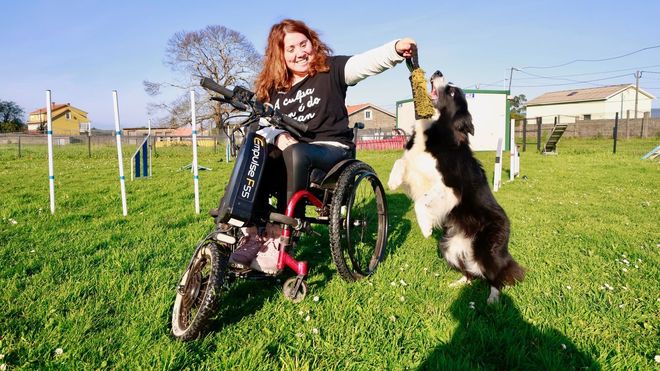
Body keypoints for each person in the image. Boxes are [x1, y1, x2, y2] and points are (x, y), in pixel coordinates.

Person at [229, 19, 416, 272]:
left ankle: (279, 238)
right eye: (290, 49)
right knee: (256, 147)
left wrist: (394, 49)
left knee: (295, 152)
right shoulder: (274, 89)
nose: (299, 53)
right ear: (280, 55)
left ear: (312, 42)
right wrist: (278, 137)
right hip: (292, 151)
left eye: (303, 44)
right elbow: (263, 124)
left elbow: (366, 62)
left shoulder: (332, 70)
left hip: (332, 150)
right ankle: (252, 233)